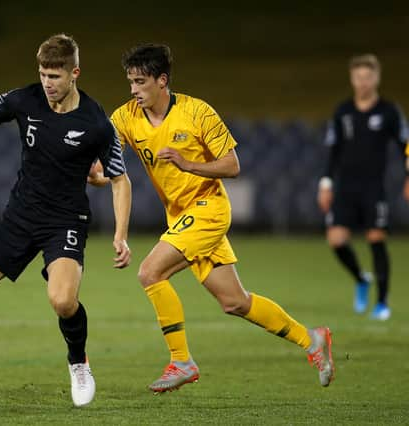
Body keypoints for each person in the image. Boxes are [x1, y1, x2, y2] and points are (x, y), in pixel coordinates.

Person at [106, 44, 334, 393]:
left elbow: (232, 165)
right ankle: (313, 339)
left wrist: (189, 163)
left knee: (150, 272)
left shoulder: (198, 113)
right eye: (130, 82)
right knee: (234, 301)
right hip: (181, 217)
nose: (133, 89)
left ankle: (181, 361)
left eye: (140, 81)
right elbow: (105, 156)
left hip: (209, 209)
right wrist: (92, 170)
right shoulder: (126, 116)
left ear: (162, 80)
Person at [0, 34, 132, 407]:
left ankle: (78, 362)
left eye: (54, 76)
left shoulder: (97, 122)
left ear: (74, 73)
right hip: (19, 217)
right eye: (43, 74)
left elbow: (120, 180)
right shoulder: (25, 98)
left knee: (63, 301)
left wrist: (120, 234)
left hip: (65, 221)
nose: (47, 83)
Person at [318, 54, 409, 321]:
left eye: (368, 77)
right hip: (345, 187)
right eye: (359, 77)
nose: (363, 82)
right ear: (352, 79)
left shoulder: (389, 112)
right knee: (336, 240)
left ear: (377, 78)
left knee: (376, 238)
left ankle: (381, 303)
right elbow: (333, 152)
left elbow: (406, 142)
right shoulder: (343, 111)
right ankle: (361, 279)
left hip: (373, 187)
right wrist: (325, 184)